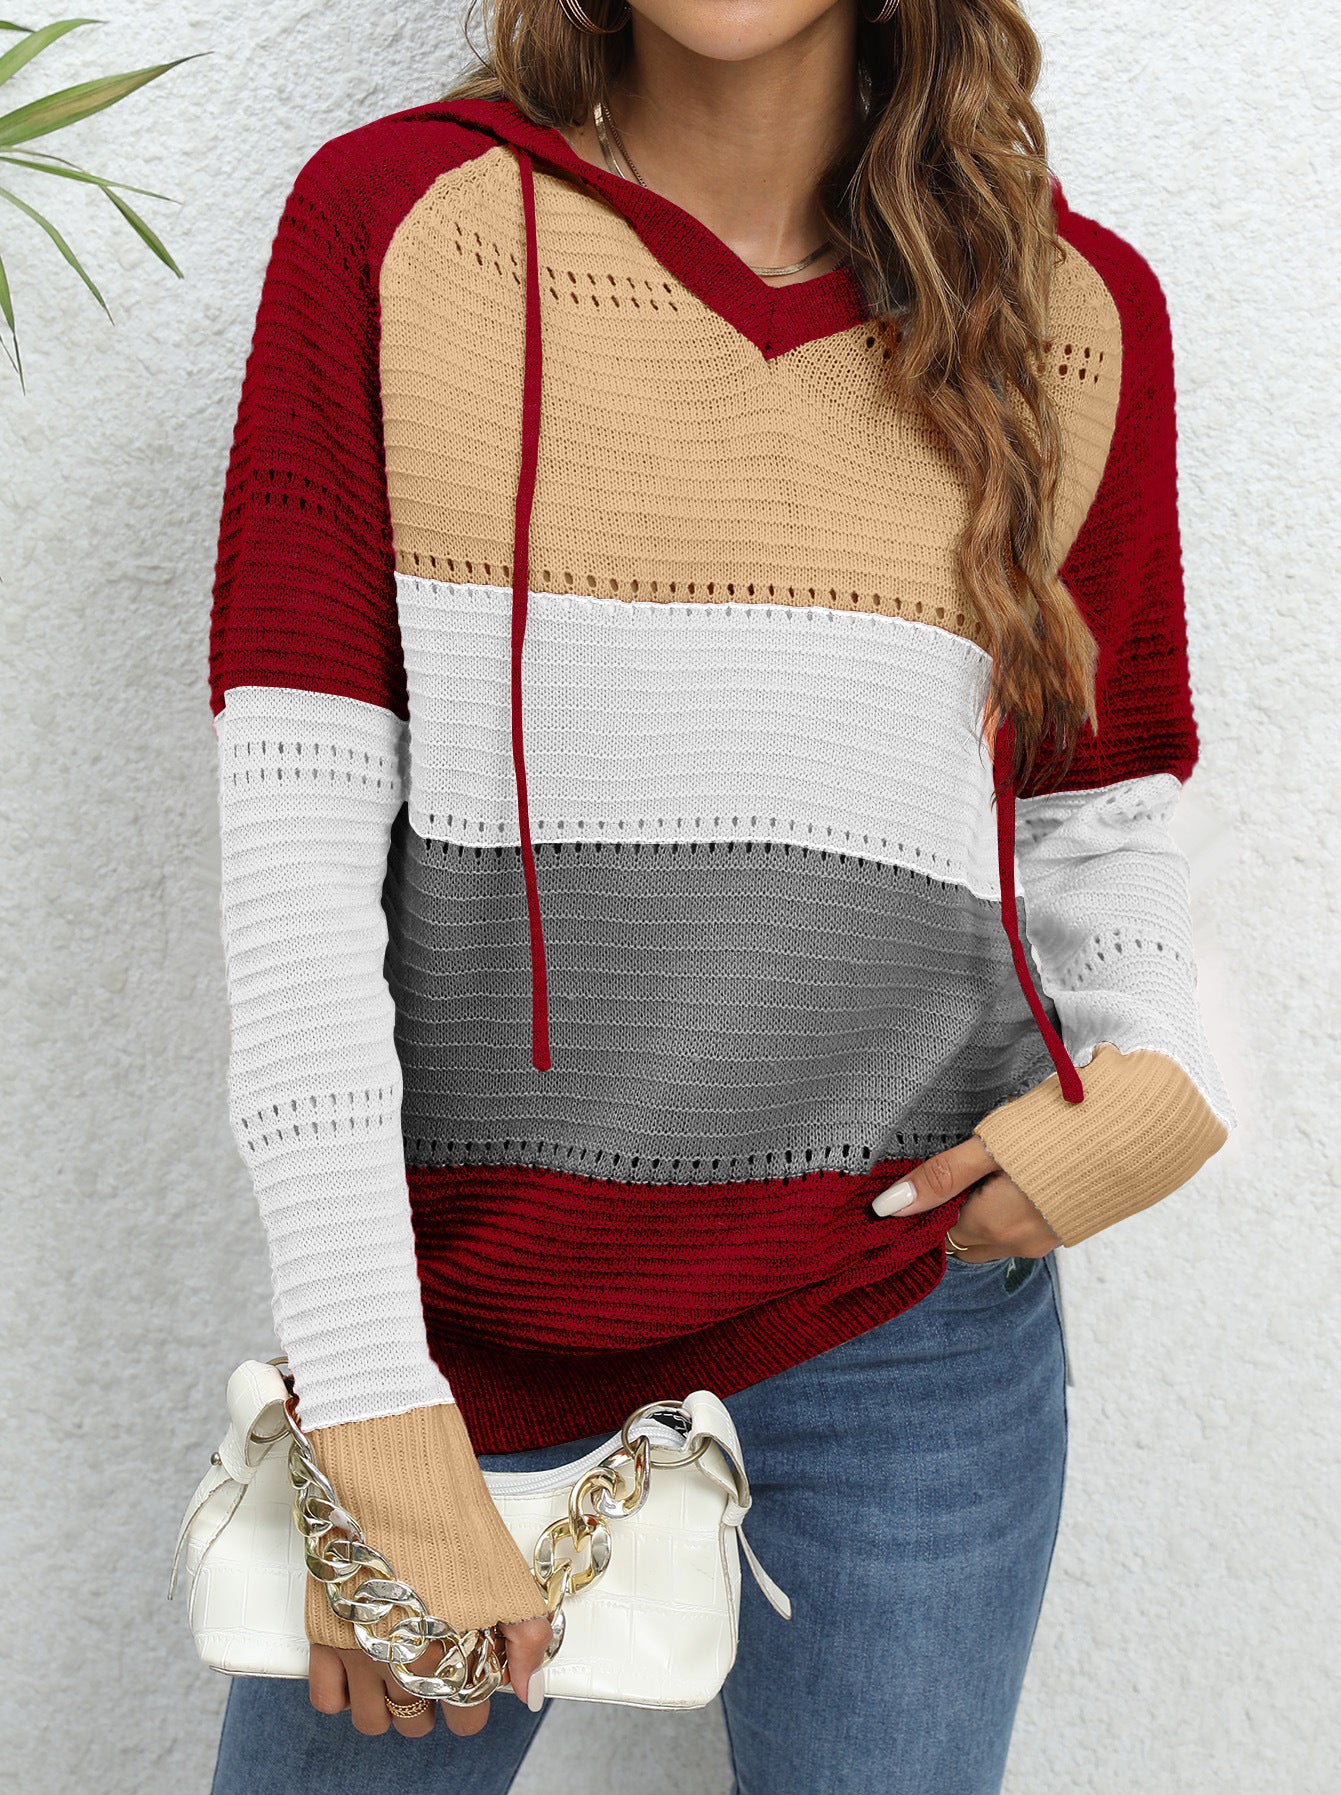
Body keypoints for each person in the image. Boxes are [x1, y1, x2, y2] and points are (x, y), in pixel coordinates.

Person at [205, 1, 1237, 1789]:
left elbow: (1096, 798)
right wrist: (368, 1398)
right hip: (467, 1329)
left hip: (908, 1323)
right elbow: (292, 852)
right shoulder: (395, 223)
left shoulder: (1073, 312)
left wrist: (1154, 1073)